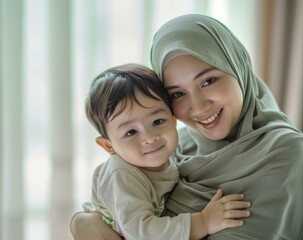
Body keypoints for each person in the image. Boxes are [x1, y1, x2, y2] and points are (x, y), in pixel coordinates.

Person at [71, 14, 303, 239]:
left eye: (208, 81)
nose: (198, 108)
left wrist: (88, 226)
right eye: (177, 94)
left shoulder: (285, 153)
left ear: (237, 68)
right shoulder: (176, 146)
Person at [74, 63, 251, 240]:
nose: (150, 137)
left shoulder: (170, 153)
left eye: (158, 121)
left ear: (173, 120)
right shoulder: (122, 174)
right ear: (109, 146)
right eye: (131, 132)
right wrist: (204, 221)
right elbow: (141, 232)